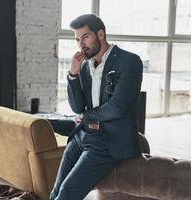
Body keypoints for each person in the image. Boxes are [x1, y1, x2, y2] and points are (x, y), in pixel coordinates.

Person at [50, 14, 143, 200]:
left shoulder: (129, 62)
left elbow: (117, 107)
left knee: (67, 193)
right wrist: (73, 74)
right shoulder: (85, 66)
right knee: (56, 191)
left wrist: (85, 117)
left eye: (85, 37)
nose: (80, 44)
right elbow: (78, 106)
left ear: (100, 34)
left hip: (108, 141)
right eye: (77, 40)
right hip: (82, 136)